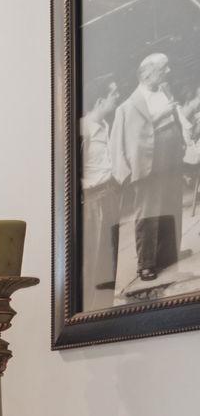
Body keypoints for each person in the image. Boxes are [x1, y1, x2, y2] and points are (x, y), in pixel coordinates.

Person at [110, 53, 189, 282]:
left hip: (171, 161)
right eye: (164, 68)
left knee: (171, 205)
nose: (168, 72)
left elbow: (174, 118)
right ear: (146, 73)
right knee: (148, 213)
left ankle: (168, 255)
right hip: (147, 166)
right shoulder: (129, 105)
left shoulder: (165, 91)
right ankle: (145, 264)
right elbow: (129, 138)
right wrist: (160, 116)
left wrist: (182, 141)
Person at [81, 80, 121, 289]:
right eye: (114, 93)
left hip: (109, 195)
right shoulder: (82, 131)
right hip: (93, 201)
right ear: (100, 100)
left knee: (111, 257)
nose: (117, 96)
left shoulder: (105, 125)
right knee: (95, 261)